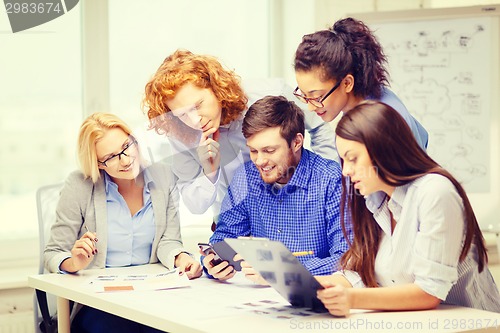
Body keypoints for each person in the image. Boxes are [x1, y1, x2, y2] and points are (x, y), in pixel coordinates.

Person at [315, 101, 500, 316]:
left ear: (383, 148)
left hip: (474, 324)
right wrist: (317, 286)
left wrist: (351, 299)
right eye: (343, 161)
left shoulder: (435, 192)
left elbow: (429, 292)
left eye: (353, 159)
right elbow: (363, 275)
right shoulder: (375, 201)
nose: (346, 171)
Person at [44, 112, 202, 333]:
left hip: (153, 295)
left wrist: (181, 258)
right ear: (98, 164)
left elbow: (169, 241)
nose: (126, 160)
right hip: (101, 302)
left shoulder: (164, 175)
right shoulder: (79, 185)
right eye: (110, 157)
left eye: (127, 147)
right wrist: (74, 262)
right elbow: (52, 253)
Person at [142, 49, 337, 227]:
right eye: (182, 114)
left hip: (292, 211)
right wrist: (210, 171)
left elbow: (320, 127)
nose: (194, 121)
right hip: (231, 222)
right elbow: (195, 205)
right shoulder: (179, 132)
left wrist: (323, 186)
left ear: (215, 88)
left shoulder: (267, 92)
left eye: (197, 105)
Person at [202, 95, 349, 283]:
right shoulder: (246, 177)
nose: (260, 161)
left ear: (296, 142)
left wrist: (284, 271)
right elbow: (225, 237)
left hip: (317, 296)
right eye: (253, 151)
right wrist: (211, 262)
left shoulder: (331, 180)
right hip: (256, 299)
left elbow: (347, 257)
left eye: (269, 151)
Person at [293, 17, 429, 159]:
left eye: (317, 97)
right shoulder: (363, 107)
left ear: (347, 83)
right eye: (304, 96)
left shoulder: (381, 120)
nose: (311, 107)